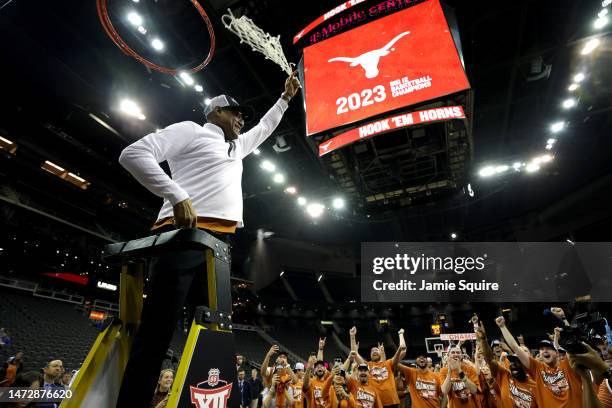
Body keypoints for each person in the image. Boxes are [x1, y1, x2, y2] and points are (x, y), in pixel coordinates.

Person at [116, 71, 301, 408]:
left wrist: (285, 99)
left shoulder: (236, 146)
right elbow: (132, 154)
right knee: (157, 332)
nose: (243, 118)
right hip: (182, 237)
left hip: (218, 247)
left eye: (243, 114)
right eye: (236, 112)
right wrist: (175, 194)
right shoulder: (191, 131)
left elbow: (265, 127)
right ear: (216, 112)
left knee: (212, 338)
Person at [495, 315, 582, 408]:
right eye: (541, 349)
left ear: (557, 353)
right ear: (539, 354)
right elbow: (515, 347)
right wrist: (502, 327)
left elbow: (574, 345)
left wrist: (564, 319)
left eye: (548, 348)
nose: (544, 351)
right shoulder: (537, 369)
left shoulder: (567, 365)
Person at [476, 321, 538, 408]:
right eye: (512, 361)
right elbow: (489, 359)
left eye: (517, 362)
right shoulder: (505, 376)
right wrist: (483, 340)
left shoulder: (536, 385)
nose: (513, 365)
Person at [350, 326, 403, 407]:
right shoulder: (367, 365)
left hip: (392, 402)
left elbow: (403, 352)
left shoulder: (388, 363)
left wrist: (401, 335)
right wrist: (352, 336)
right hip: (375, 403)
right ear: (370, 355)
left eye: (376, 350)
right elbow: (354, 354)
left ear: (380, 353)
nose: (374, 351)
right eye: (372, 351)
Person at [395, 329, 442, 408]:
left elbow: (442, 395)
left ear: (427, 360)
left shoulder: (436, 376)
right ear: (416, 361)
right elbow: (395, 364)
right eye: (419, 357)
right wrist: (401, 337)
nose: (421, 359)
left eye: (424, 357)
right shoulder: (411, 372)